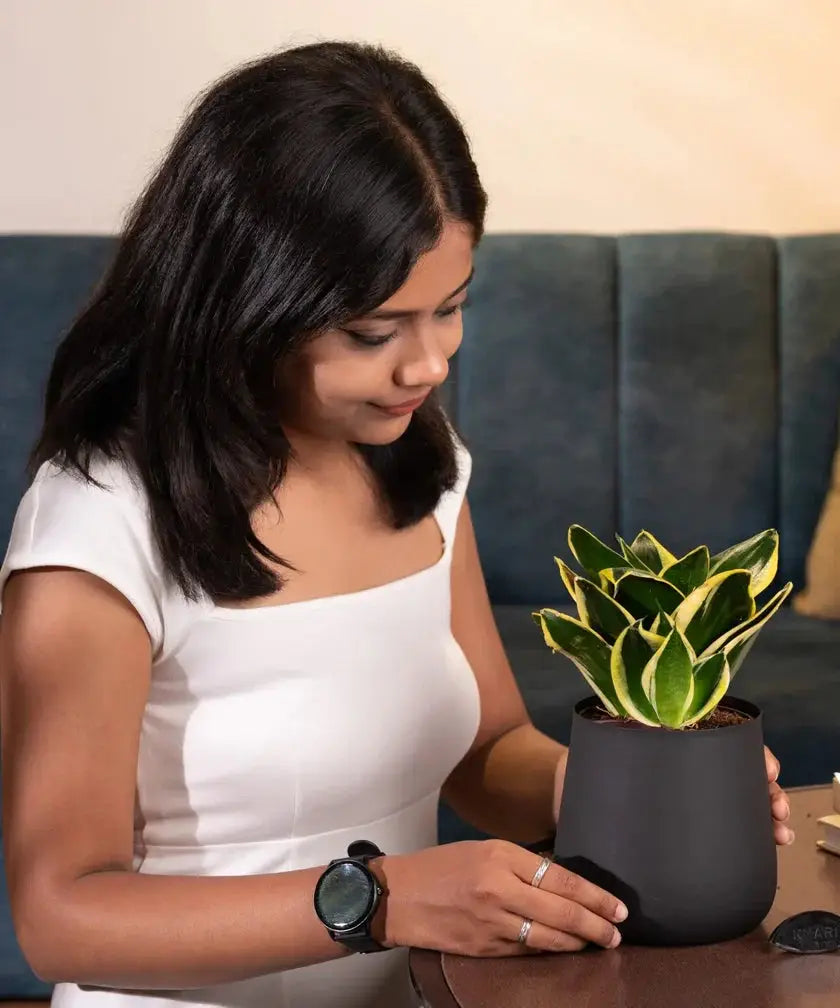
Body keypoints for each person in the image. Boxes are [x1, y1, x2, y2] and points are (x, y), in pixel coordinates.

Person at [0, 40, 793, 1008]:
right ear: (249, 299)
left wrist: (643, 790)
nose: (428, 365)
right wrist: (376, 901)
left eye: (451, 309)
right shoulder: (101, 524)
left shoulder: (423, 467)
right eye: (374, 331)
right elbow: (59, 916)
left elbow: (484, 748)